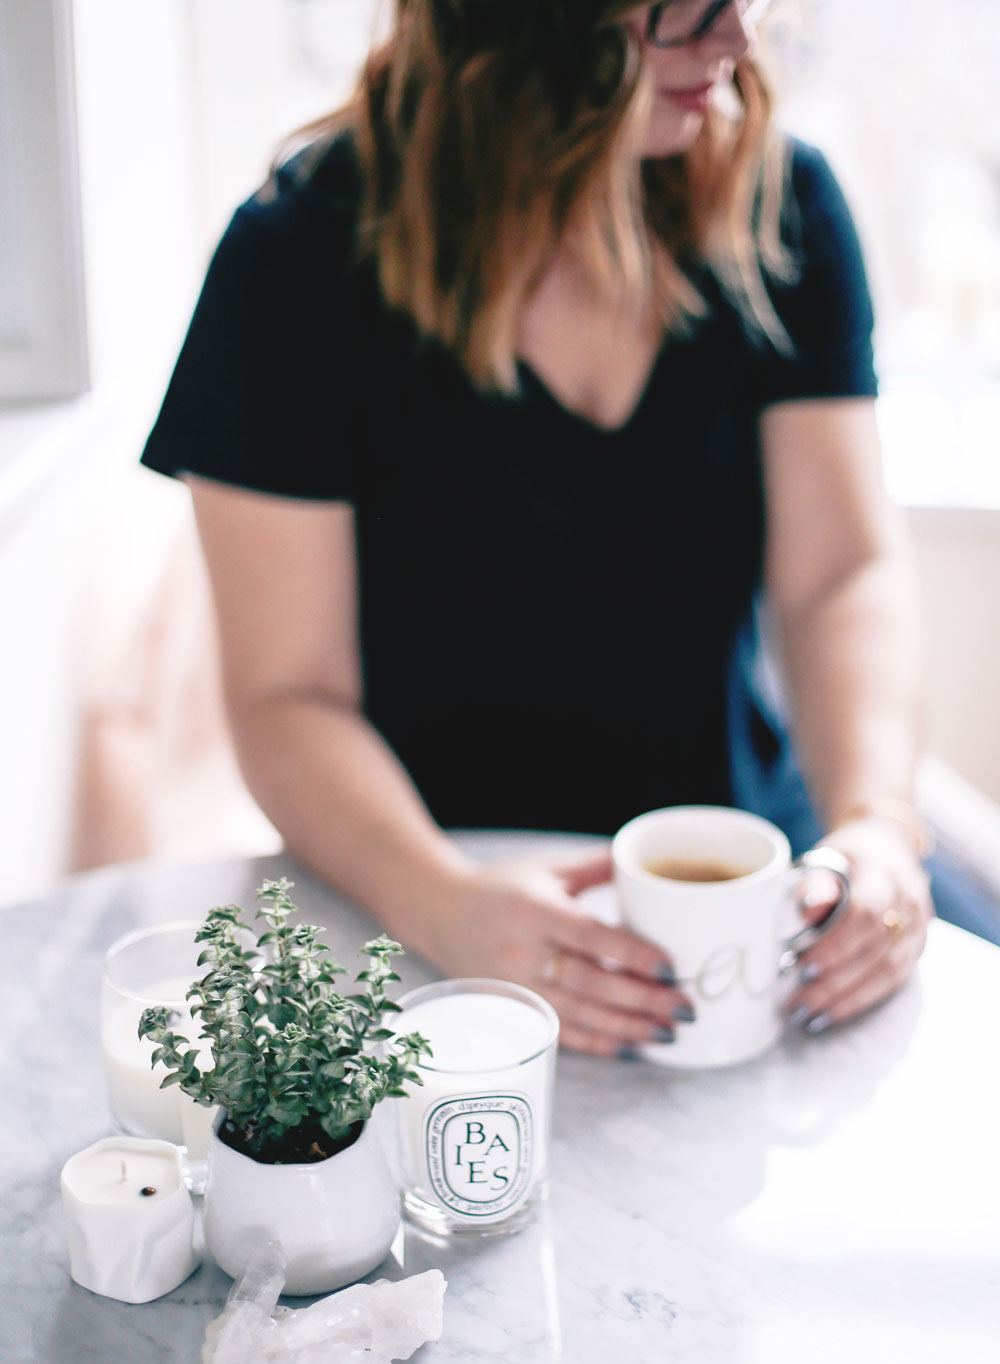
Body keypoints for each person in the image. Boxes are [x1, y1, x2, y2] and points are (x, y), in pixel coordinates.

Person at [142, 0, 938, 1057]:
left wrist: (877, 820)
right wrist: (445, 904)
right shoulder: (293, 257)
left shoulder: (784, 200)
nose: (736, 43)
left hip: (747, 884)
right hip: (426, 899)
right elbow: (287, 697)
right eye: (686, 11)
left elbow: (839, 572)